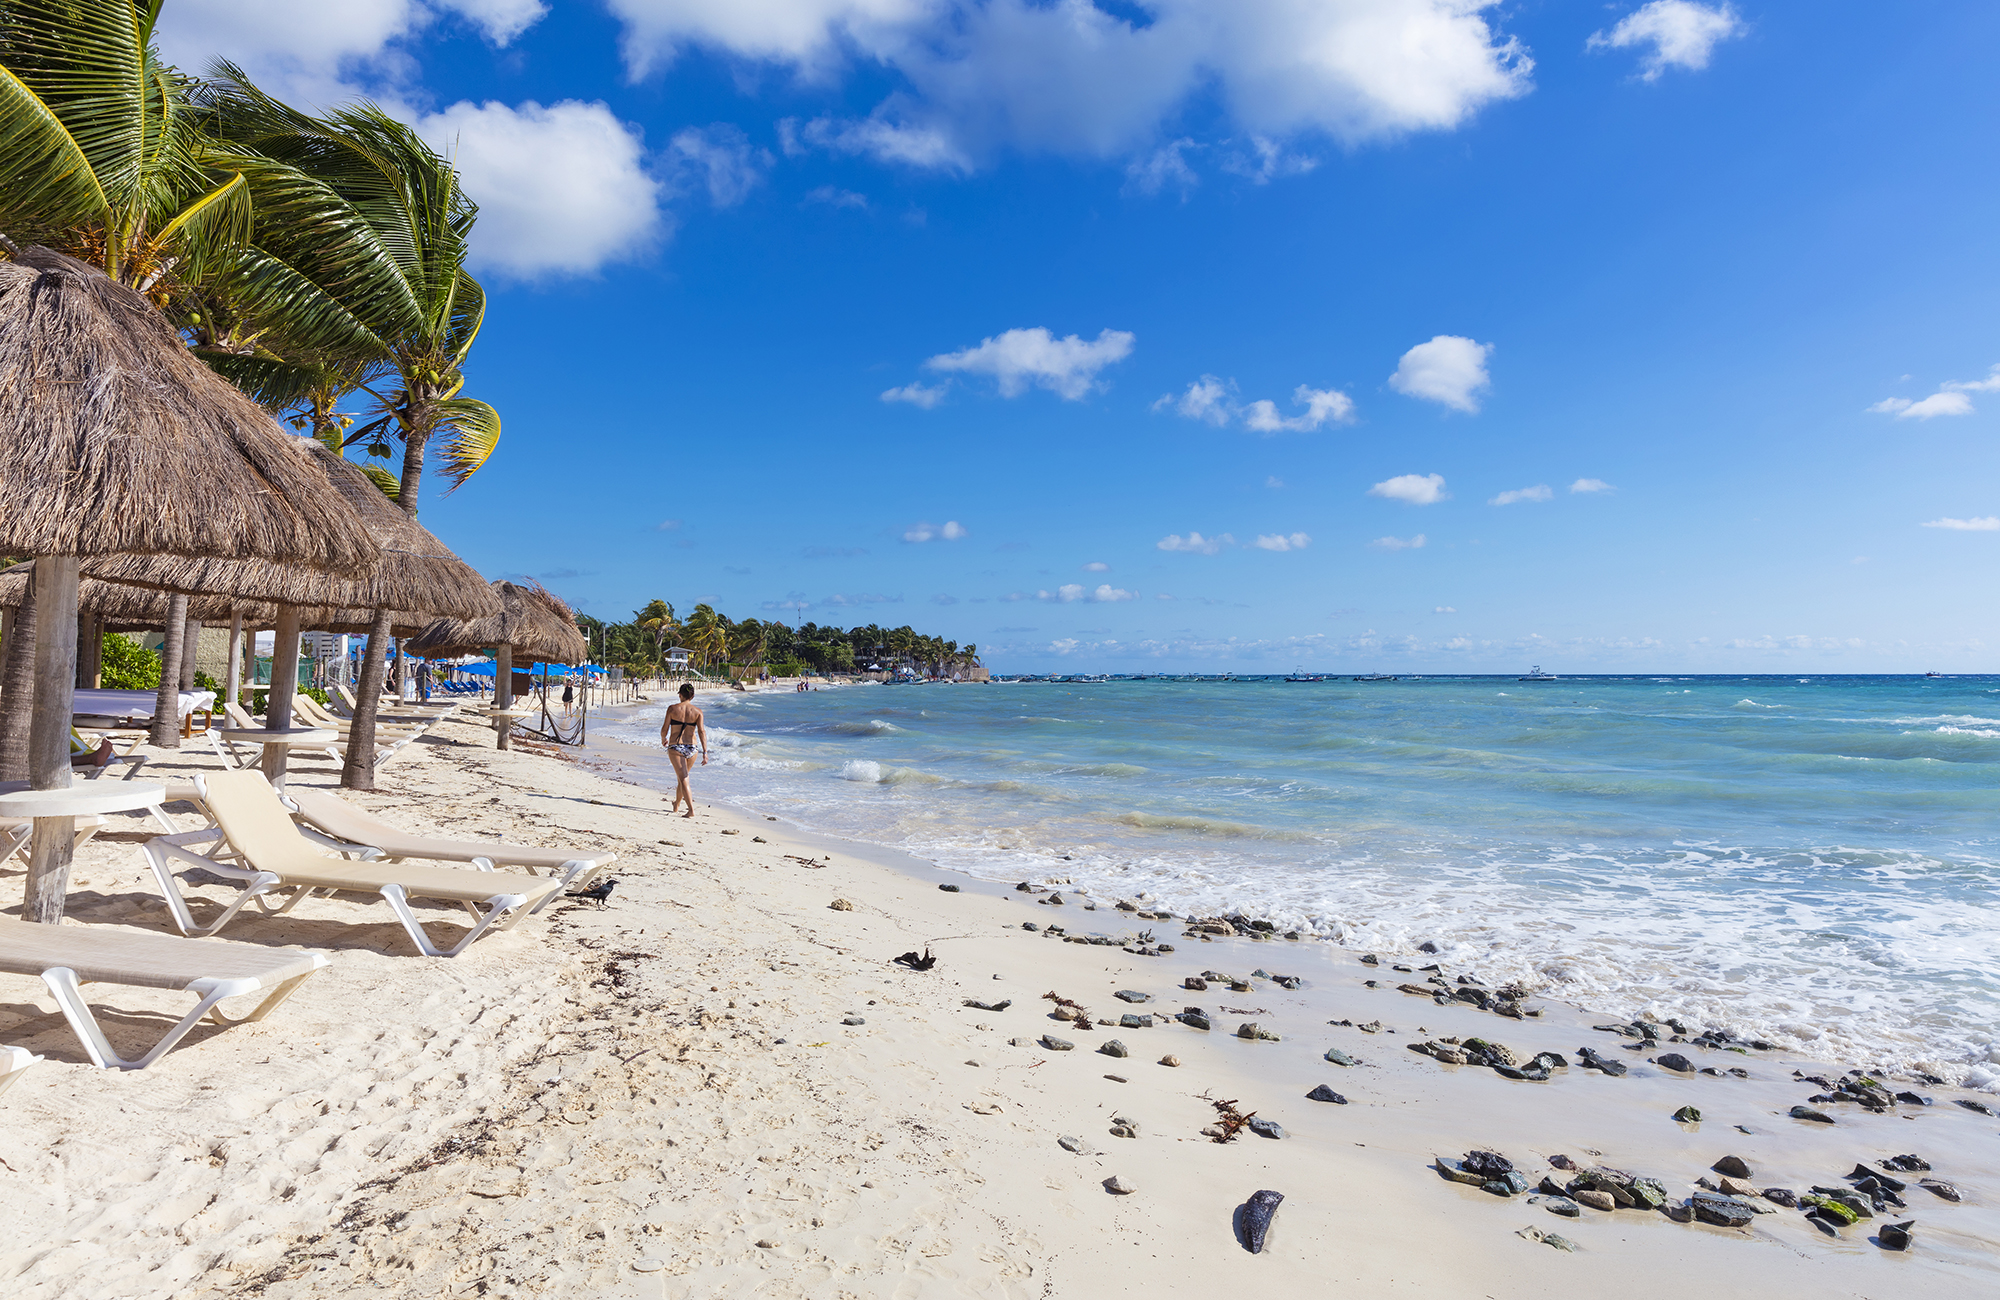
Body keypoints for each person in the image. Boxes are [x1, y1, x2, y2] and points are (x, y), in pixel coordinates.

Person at [659, 683, 707, 816]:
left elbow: (665, 728)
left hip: (676, 746)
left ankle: (691, 810)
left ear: (680, 694)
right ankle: (676, 805)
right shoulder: (698, 712)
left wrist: (663, 739)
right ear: (692, 696)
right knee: (682, 777)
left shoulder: (672, 709)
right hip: (693, 748)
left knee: (684, 778)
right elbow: (702, 732)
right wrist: (705, 752)